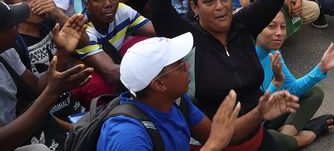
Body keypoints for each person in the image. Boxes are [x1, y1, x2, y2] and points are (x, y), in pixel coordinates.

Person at [149, 0, 302, 149]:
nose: (220, 7)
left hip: (259, 137)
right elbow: (159, 9)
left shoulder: (243, 25)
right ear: (194, 7)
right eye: (209, 1)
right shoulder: (188, 39)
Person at [95, 33, 258, 151]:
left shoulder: (177, 102)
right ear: (159, 84)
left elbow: (217, 135)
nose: (187, 67)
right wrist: (213, 146)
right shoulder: (127, 136)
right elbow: (215, 140)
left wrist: (261, 111)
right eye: (180, 64)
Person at [0, 3, 92, 151]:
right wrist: (52, 92)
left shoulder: (6, 52)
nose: (18, 26)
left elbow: (37, 87)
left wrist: (63, 51)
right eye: (11, 25)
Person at [254, 12, 334, 149]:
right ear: (255, 28)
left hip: (268, 121)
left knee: (314, 93)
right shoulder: (244, 59)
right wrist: (276, 83)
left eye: (283, 27)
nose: (279, 33)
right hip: (253, 125)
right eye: (271, 26)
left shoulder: (274, 53)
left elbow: (293, 89)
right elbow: (253, 118)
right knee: (271, 138)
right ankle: (307, 136)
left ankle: (286, 137)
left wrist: (321, 69)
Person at [73, 0, 155, 103]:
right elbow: (110, 73)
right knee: (99, 84)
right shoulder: (83, 29)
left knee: (145, 42)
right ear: (87, 5)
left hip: (114, 60)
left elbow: (158, 32)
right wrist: (155, 70)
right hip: (85, 76)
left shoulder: (122, 10)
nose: (108, 4)